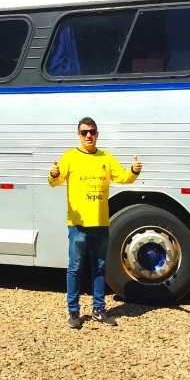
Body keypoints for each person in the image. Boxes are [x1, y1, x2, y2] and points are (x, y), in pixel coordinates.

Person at [48, 117, 142, 329]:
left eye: (92, 132)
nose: (88, 135)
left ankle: (99, 310)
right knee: (75, 269)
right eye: (84, 132)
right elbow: (55, 181)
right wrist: (53, 174)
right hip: (78, 225)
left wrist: (134, 171)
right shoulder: (70, 157)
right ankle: (73, 313)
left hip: (100, 224)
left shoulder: (106, 158)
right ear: (78, 135)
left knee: (99, 268)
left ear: (97, 134)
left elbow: (123, 178)